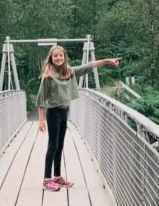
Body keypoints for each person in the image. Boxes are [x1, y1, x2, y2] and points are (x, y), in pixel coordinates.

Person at [36, 45, 120, 191]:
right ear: (51, 58)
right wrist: (41, 120)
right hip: (53, 112)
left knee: (60, 145)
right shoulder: (48, 75)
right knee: (53, 145)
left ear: (64, 57)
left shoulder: (69, 71)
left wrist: (107, 61)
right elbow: (41, 98)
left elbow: (89, 66)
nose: (58, 58)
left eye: (60, 56)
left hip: (64, 111)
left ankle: (57, 176)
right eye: (55, 56)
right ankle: (47, 179)